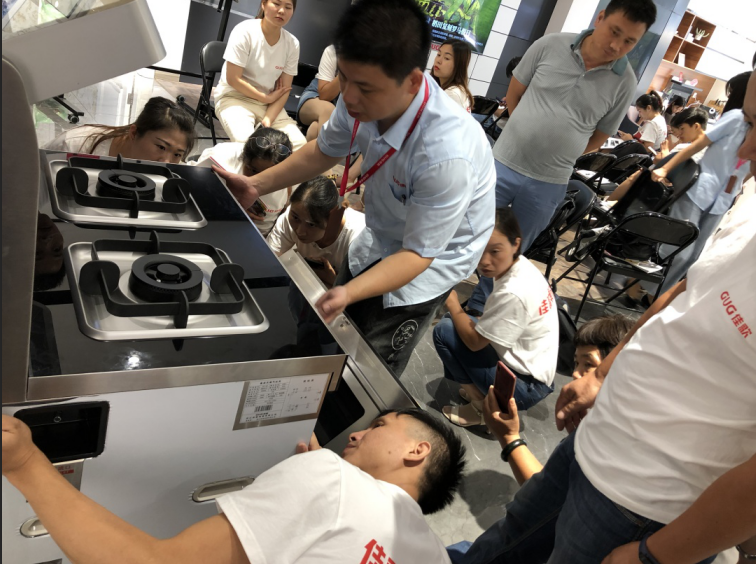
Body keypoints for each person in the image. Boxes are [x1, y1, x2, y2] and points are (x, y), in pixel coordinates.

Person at [456, 75, 756, 561]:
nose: (745, 148)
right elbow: (684, 291)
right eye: (751, 123)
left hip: (645, 502)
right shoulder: (752, 197)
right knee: (510, 537)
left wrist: (654, 556)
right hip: (595, 439)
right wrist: (601, 375)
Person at [213, 0, 496, 376]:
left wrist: (348, 292)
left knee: (370, 361)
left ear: (412, 82)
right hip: (384, 229)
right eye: (344, 78)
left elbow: (417, 254)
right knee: (329, 328)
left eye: (364, 87)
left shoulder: (446, 155)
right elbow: (322, 151)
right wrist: (254, 184)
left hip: (433, 258)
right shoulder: (361, 92)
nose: (348, 97)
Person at [1, 408, 465, 564]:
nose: (357, 434)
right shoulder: (437, 557)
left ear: (417, 451)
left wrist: (24, 462)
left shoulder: (333, 477)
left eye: (379, 425)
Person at [464, 0, 656, 317]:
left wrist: (560, 151)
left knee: (509, 251)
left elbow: (599, 136)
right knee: (467, 229)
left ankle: (478, 309)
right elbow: (515, 93)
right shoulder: (551, 45)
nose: (616, 46)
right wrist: (525, 132)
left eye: (629, 41)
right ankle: (433, 292)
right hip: (503, 163)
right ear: (601, 17)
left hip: (549, 182)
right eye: (614, 32)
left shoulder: (625, 83)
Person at [433, 208, 558, 426]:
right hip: (533, 373)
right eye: (480, 249)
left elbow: (475, 343)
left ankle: (483, 409)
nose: (485, 261)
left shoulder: (514, 291)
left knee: (445, 331)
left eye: (495, 251)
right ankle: (485, 395)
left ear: (516, 244)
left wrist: (453, 305)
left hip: (525, 386)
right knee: (455, 325)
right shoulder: (521, 266)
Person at [646, 81, 750, 296]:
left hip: (723, 201)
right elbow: (698, 145)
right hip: (698, 190)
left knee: (694, 257)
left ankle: (655, 296)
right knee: (680, 251)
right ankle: (643, 285)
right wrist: (665, 168)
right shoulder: (735, 119)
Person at [214, 0, 306, 150]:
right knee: (250, 146)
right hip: (234, 97)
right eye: (276, 3)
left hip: (269, 105)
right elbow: (233, 79)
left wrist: (268, 120)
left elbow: (284, 89)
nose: (282, 10)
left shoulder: (292, 43)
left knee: (300, 147)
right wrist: (265, 97)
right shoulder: (245, 30)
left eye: (288, 7)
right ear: (264, 4)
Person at [267, 176, 366, 286]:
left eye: (311, 224)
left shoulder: (360, 241)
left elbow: (361, 292)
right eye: (295, 218)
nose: (300, 231)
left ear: (333, 218)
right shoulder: (294, 214)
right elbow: (269, 258)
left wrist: (333, 281)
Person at [195, 127, 293, 236]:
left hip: (256, 235)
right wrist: (233, 210)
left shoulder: (288, 181)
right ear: (243, 158)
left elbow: (280, 218)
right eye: (253, 170)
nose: (259, 179)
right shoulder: (220, 157)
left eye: (268, 174)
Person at [43, 96, 195, 163]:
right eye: (161, 147)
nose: (166, 161)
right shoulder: (73, 146)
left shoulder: (169, 168)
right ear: (134, 133)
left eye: (177, 154)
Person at [607, 107, 708, 204]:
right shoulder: (697, 147)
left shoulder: (691, 149)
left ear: (696, 127)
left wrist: (663, 158)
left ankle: (608, 202)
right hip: (667, 182)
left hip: (667, 185)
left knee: (638, 173)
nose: (679, 134)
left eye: (682, 129)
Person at [297, 45, 341, 141]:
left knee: (315, 129)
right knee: (329, 111)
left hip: (344, 106)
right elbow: (325, 95)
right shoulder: (333, 51)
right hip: (316, 96)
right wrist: (346, 70)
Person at [431, 39, 473, 112]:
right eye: (439, 54)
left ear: (458, 65)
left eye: (446, 58)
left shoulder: (452, 94)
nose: (438, 61)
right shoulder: (449, 89)